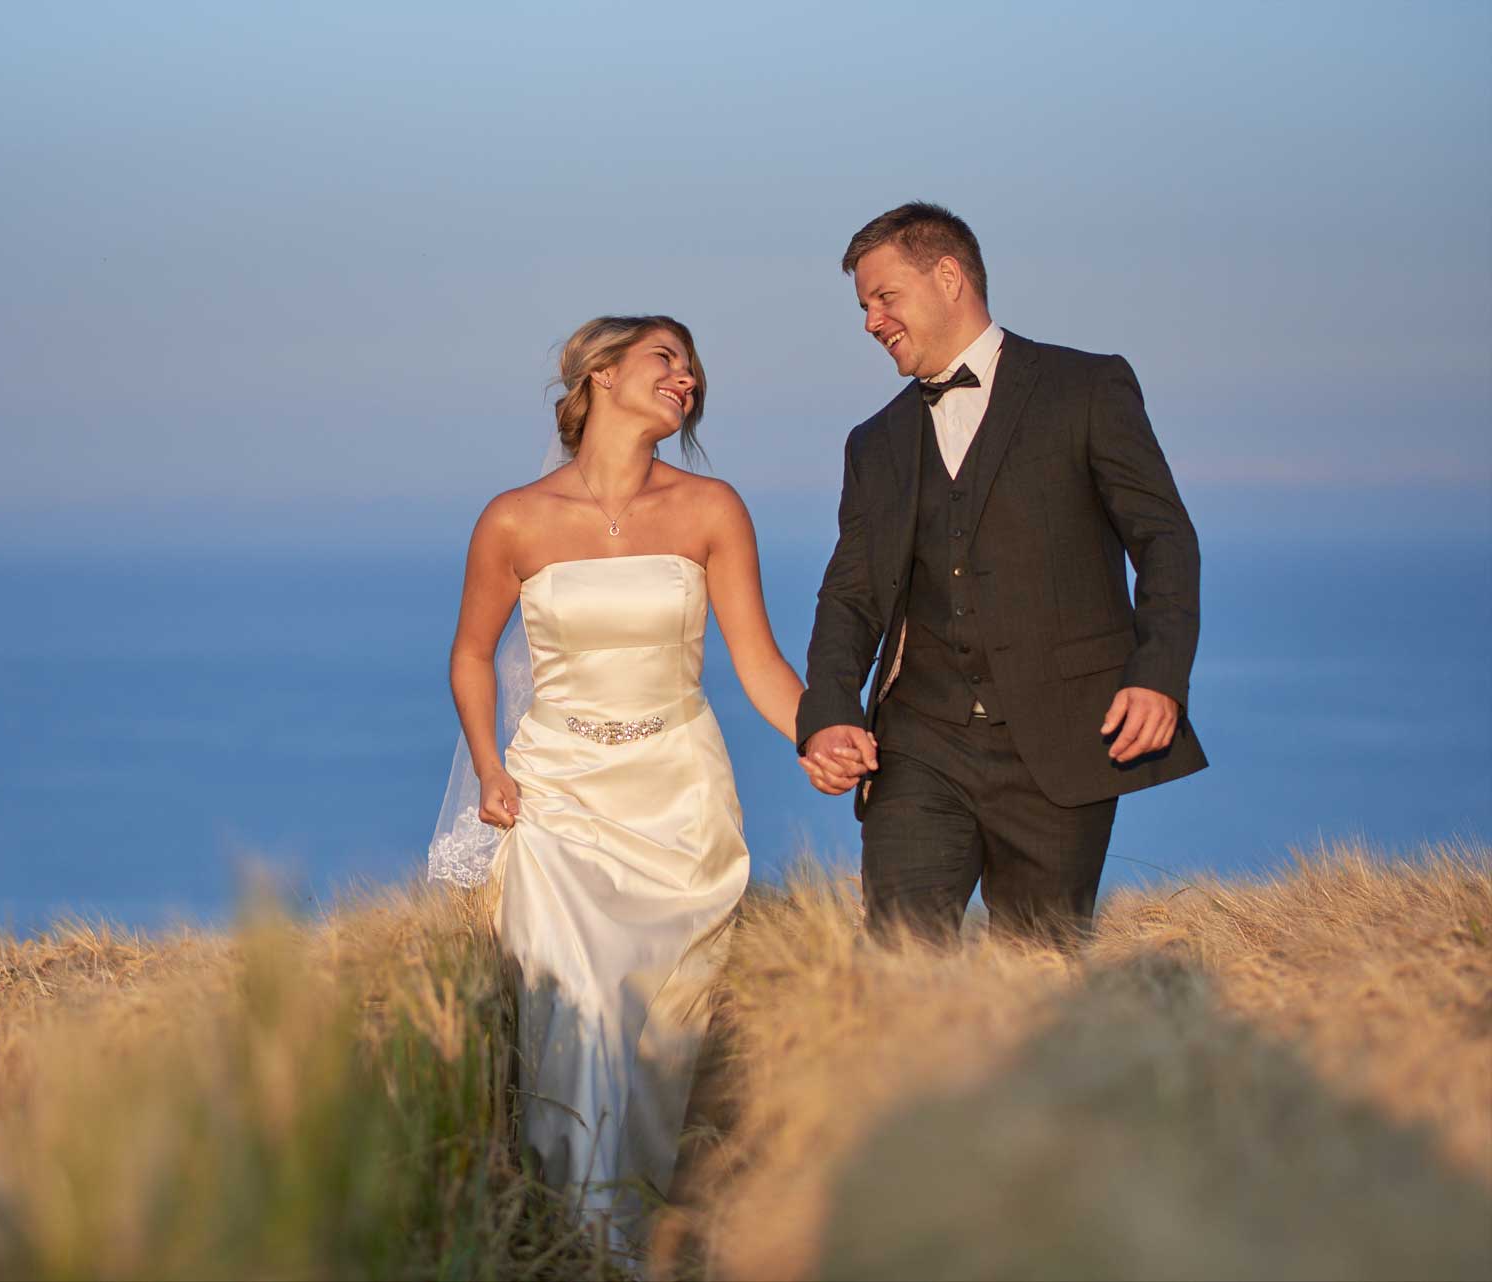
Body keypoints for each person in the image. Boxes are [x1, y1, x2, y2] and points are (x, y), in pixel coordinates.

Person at [439, 315, 810, 1249]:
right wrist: (490, 766)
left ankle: (642, 1231)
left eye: (693, 370)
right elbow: (473, 655)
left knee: (659, 1024)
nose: (687, 378)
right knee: (580, 1014)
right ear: (601, 373)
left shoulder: (711, 509)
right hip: (557, 794)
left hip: (678, 794)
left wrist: (827, 732)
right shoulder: (513, 519)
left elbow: (759, 662)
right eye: (666, 359)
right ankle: (581, 1239)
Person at [797, 202, 1207, 949]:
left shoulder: (1087, 388)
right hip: (918, 746)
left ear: (948, 276)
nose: (870, 321)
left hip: (1063, 741)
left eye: (884, 297)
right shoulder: (874, 443)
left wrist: (1159, 675)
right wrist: (829, 710)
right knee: (897, 964)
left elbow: (1165, 538)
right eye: (863, 306)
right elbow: (850, 595)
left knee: (1038, 976)